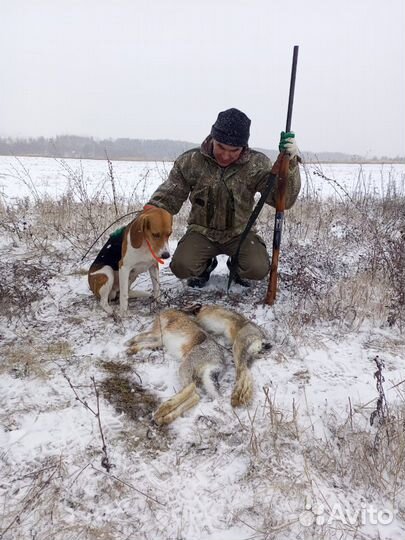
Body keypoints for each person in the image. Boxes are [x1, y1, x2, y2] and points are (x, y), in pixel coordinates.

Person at [147, 107, 301, 288]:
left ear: (244, 147)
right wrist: (147, 215)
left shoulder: (257, 163)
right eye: (221, 147)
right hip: (202, 232)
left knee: (257, 269)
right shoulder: (190, 161)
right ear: (212, 138)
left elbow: (282, 199)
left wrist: (290, 165)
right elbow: (167, 197)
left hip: (240, 234)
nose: (226, 155)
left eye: (234, 150)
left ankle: (236, 266)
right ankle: (205, 266)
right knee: (182, 266)